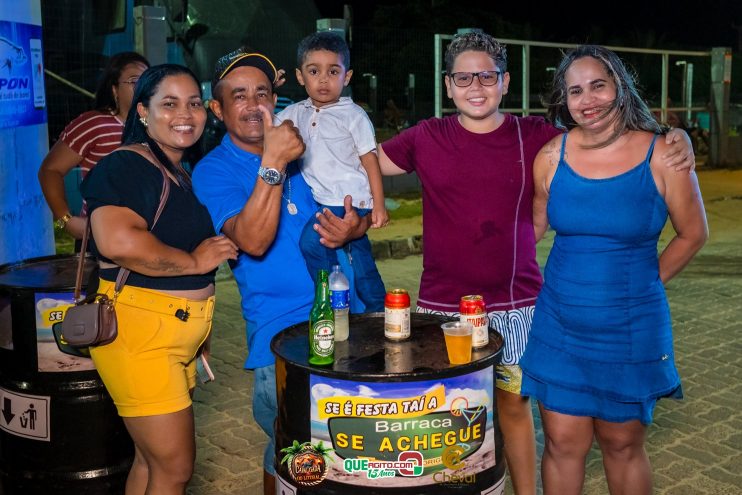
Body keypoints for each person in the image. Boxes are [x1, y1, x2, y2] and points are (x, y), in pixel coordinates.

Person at [377, 32, 696, 495]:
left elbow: (610, 147)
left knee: (534, 414)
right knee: (455, 416)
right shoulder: (436, 137)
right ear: (447, 85)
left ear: (505, 82)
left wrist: (675, 135)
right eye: (464, 77)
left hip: (525, 308)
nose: (476, 85)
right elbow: (363, 159)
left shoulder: (537, 138)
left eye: (487, 75)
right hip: (464, 309)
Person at [520, 45, 707, 495]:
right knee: (563, 442)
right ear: (564, 101)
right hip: (559, 325)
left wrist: (644, 284)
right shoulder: (550, 156)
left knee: (622, 444)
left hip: (631, 327)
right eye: (575, 91)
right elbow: (531, 230)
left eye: (598, 85)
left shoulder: (664, 154)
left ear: (620, 86)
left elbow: (692, 233)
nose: (588, 100)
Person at [191, 48, 370, 495]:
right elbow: (251, 240)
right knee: (295, 453)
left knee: (358, 451)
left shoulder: (308, 146)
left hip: (352, 315)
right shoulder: (213, 171)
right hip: (284, 335)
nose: (254, 105)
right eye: (238, 96)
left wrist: (354, 225)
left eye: (262, 93)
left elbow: (358, 208)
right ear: (217, 108)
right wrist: (272, 161)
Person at [79, 64, 238, 494]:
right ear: (143, 112)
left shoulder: (176, 169)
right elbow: (117, 241)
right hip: (140, 337)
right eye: (168, 103)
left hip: (167, 334)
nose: (184, 113)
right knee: (175, 469)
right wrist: (193, 261)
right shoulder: (126, 166)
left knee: (151, 464)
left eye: (192, 103)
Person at [277, 32, 387, 312]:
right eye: (314, 71)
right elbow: (266, 121)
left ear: (346, 77)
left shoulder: (353, 115)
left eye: (333, 71)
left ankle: (330, 300)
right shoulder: (295, 112)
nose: (323, 79)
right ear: (300, 76)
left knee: (312, 243)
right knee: (361, 257)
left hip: (349, 199)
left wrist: (379, 205)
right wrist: (269, 84)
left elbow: (370, 159)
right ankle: (378, 310)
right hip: (327, 200)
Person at [39, 51, 150, 239]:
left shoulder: (160, 126)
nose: (143, 88)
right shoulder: (94, 124)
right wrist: (66, 220)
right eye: (134, 81)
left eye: (148, 81)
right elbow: (50, 170)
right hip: (102, 237)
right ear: (114, 89)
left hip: (150, 236)